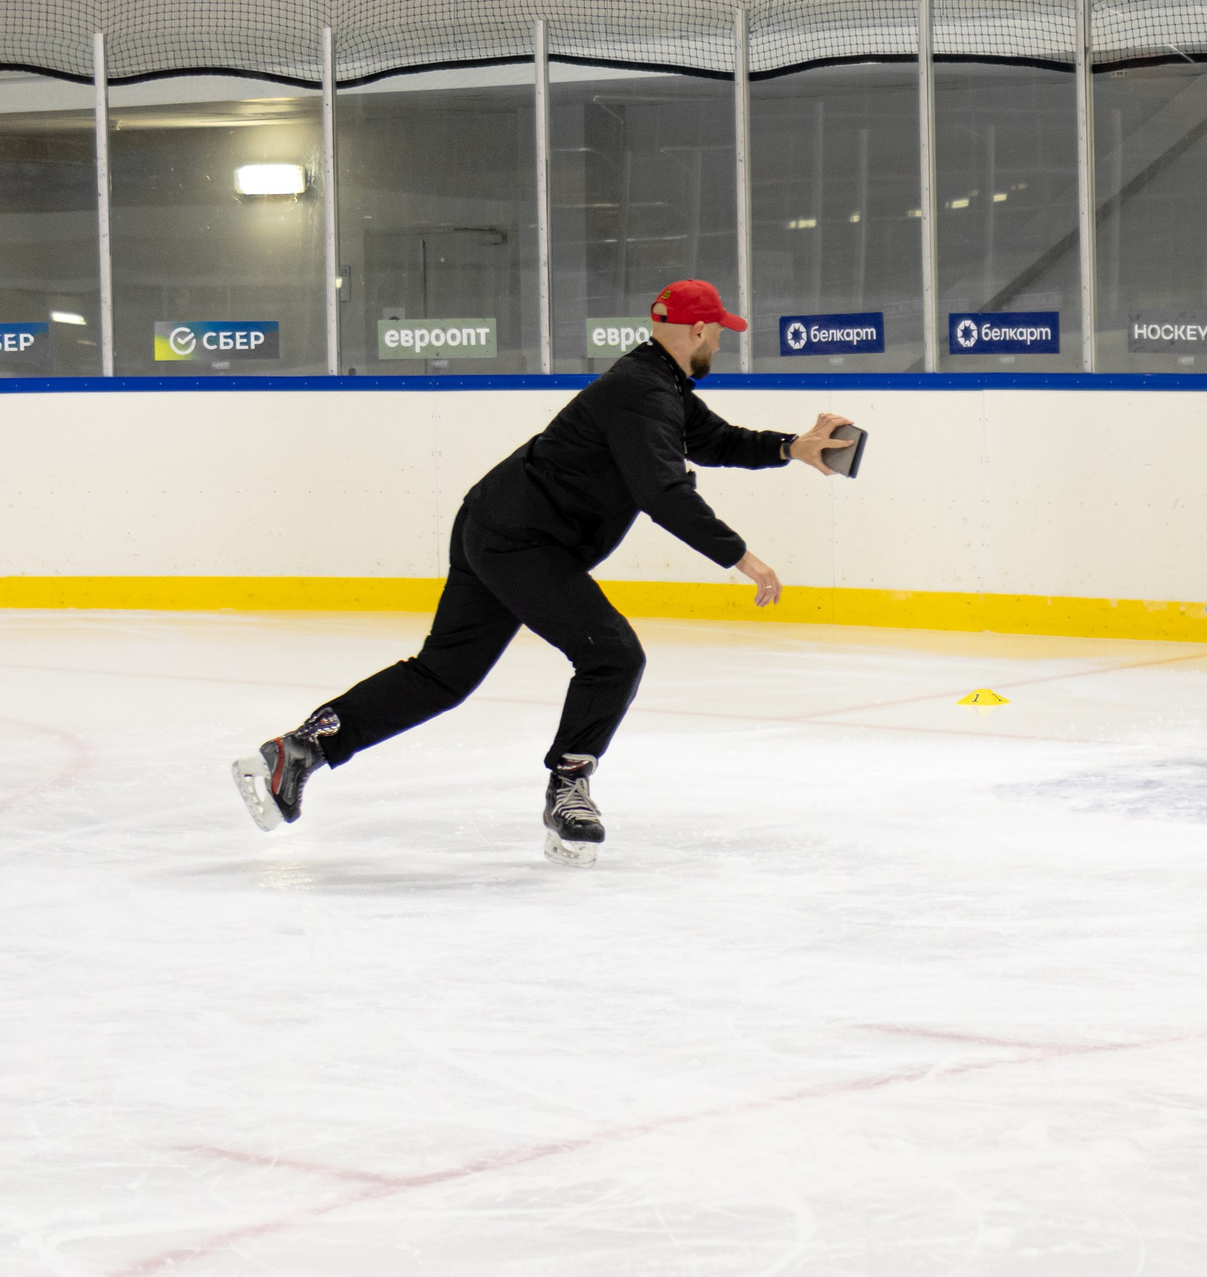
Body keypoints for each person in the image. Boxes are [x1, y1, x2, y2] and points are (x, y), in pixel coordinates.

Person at [230, 279, 855, 865]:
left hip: (495, 525)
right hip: (521, 541)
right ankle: (569, 788)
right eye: (718, 330)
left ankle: (299, 750)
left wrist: (790, 447)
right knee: (613, 656)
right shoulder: (644, 394)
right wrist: (741, 556)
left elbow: (715, 441)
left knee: (443, 675)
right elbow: (664, 491)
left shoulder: (653, 384)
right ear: (695, 331)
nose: (721, 340)